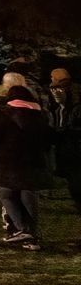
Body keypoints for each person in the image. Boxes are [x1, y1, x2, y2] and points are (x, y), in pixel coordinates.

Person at [0, 72, 51, 250]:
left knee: (7, 196)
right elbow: (47, 139)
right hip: (31, 163)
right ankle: (32, 237)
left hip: (6, 163)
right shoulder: (38, 114)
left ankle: (22, 230)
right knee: (29, 198)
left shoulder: (3, 113)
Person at [48, 68, 81, 215]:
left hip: (74, 150)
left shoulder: (75, 106)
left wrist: (62, 133)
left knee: (76, 182)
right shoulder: (60, 107)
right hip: (67, 150)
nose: (55, 94)